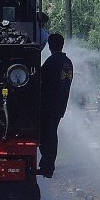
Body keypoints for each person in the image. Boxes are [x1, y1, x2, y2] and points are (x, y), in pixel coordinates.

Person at [38, 33, 73, 178]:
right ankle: (48, 165)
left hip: (48, 104)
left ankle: (47, 165)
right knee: (51, 133)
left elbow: (39, 79)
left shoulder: (52, 61)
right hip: (60, 103)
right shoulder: (67, 62)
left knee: (46, 135)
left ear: (50, 45)